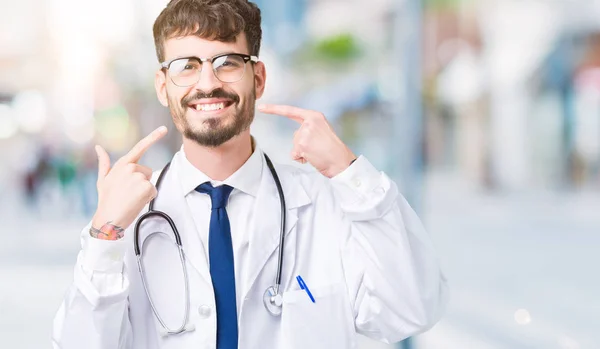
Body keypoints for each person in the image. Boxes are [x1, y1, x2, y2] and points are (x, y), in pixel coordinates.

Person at [52, 1, 448, 348]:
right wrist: (104, 235)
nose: (207, 84)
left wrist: (350, 173)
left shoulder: (324, 201)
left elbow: (410, 311)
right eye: (185, 66)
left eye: (226, 63)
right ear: (163, 85)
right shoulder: (127, 220)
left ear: (258, 78)